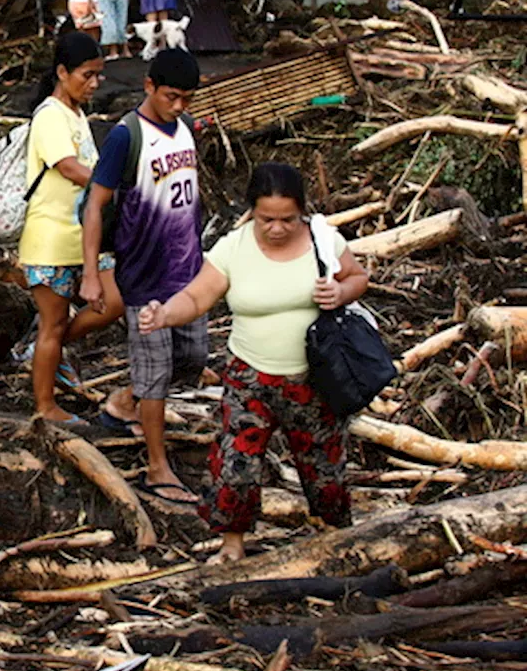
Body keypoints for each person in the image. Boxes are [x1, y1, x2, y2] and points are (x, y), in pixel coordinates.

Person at [137, 163, 369, 563]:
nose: (277, 228)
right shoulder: (234, 247)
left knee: (323, 461)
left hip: (313, 377)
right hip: (250, 377)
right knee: (237, 460)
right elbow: (197, 297)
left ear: (302, 212)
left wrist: (341, 291)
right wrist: (164, 314)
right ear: (252, 212)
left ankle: (333, 532)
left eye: (287, 220)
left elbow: (358, 277)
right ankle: (233, 542)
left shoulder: (322, 240)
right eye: (266, 219)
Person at [80, 48, 203, 504]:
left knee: (191, 358)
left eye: (187, 98)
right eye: (171, 96)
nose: (178, 106)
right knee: (155, 371)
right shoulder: (125, 137)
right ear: (149, 86)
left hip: (186, 269)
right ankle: (157, 466)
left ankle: (124, 401)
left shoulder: (186, 129)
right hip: (145, 273)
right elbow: (95, 204)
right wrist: (93, 273)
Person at [20, 32, 124, 425]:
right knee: (54, 322)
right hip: (51, 240)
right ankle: (45, 405)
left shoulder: (77, 114)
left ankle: (45, 354)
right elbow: (69, 168)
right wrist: (116, 187)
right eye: (87, 75)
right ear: (62, 73)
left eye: (99, 75)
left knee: (115, 299)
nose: (95, 83)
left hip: (85, 237)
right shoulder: (49, 115)